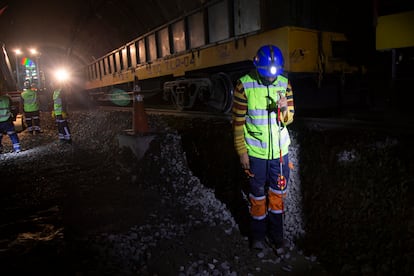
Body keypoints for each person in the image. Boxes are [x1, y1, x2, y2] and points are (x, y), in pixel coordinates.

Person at [232, 45, 295, 253]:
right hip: (256, 155)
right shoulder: (244, 86)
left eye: (273, 74)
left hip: (279, 154)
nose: (270, 78)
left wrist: (284, 108)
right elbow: (238, 123)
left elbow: (288, 120)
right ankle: (258, 237)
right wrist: (242, 152)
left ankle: (278, 238)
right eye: (265, 74)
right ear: (256, 67)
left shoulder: (285, 84)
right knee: (257, 197)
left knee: (277, 195)